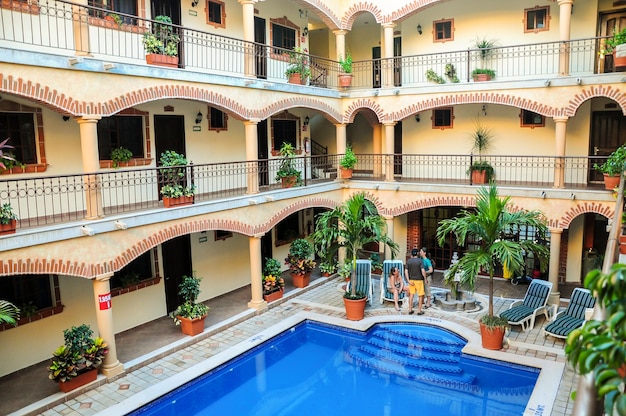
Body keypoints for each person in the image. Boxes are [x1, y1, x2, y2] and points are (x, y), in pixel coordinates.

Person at [405, 248, 426, 315]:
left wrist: (408, 280)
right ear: (417, 253)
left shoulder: (408, 261)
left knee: (411, 295)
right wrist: (425, 278)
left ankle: (410, 309)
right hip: (419, 280)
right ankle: (419, 311)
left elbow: (406, 271)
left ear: (412, 254)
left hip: (411, 280)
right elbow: (423, 271)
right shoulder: (420, 261)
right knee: (420, 295)